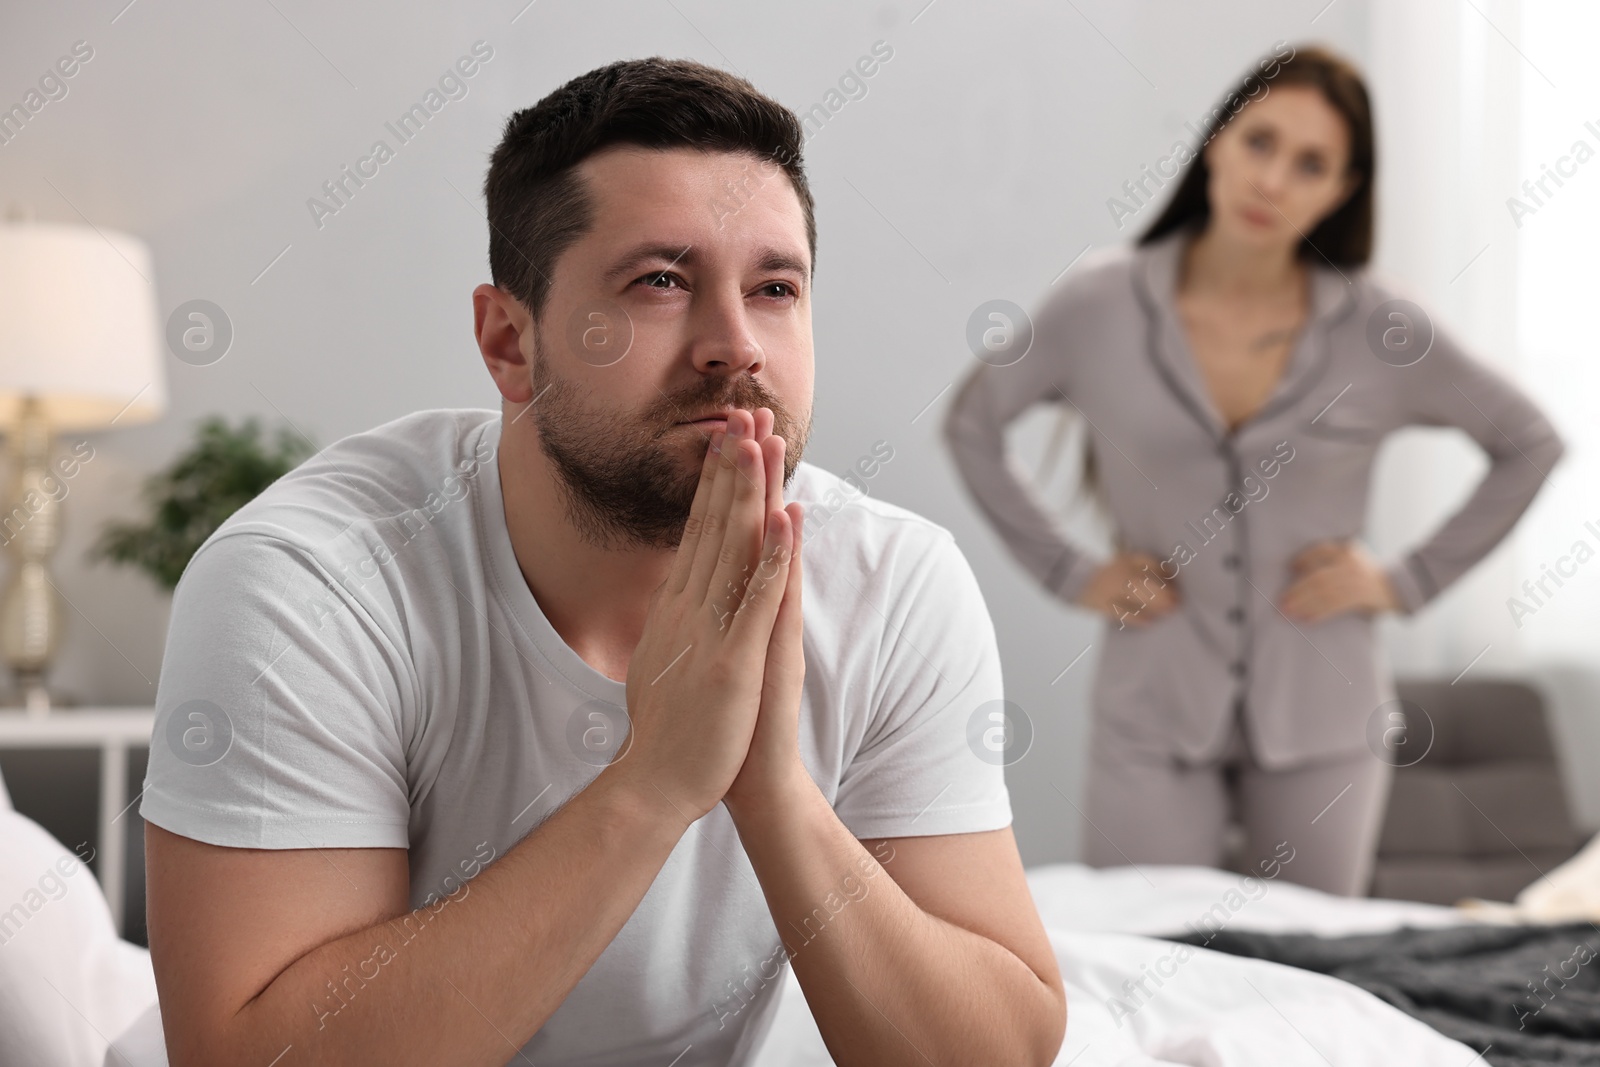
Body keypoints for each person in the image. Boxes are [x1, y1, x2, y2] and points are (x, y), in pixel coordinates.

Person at [141, 58, 1066, 1067]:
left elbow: (998, 1053)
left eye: (773, 288)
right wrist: (656, 779)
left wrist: (771, 788)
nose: (733, 345)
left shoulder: (892, 582)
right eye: (661, 281)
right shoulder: (314, 584)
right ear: (508, 340)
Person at [943, 44, 1563, 897]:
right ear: (1216, 147)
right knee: (1139, 954)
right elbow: (973, 423)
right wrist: (1070, 571)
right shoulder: (1099, 303)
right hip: (1153, 704)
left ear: (1342, 190)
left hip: (1326, 711)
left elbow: (1530, 441)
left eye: (1311, 164)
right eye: (1259, 142)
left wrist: (1404, 580)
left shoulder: (1381, 327)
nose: (1274, 180)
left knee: (1304, 969)